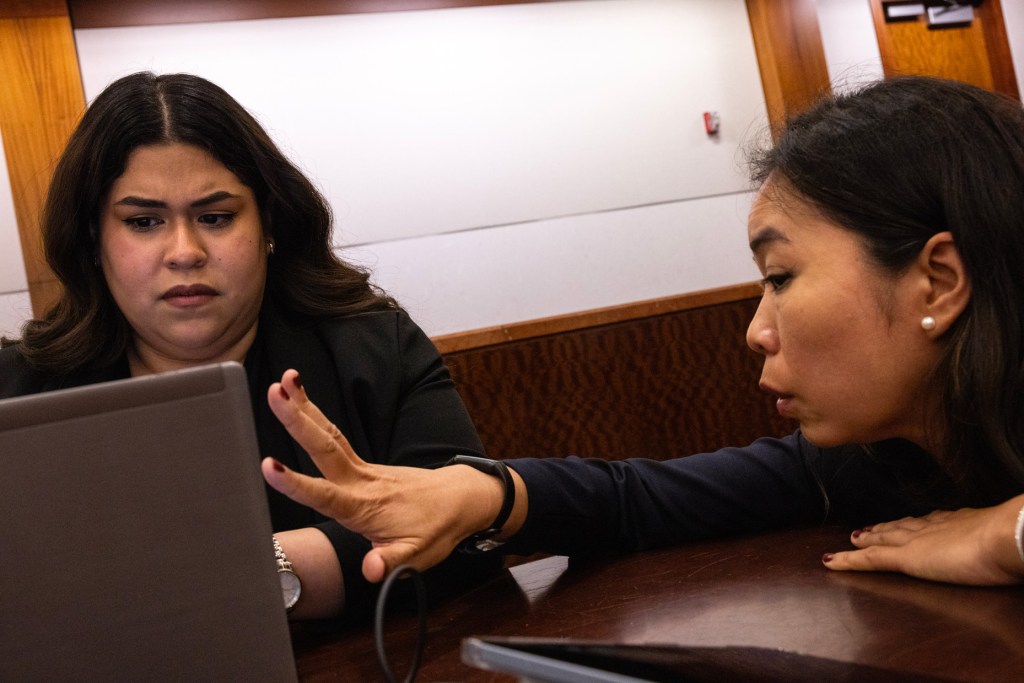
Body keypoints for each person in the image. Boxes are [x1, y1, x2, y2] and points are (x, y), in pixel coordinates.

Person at [260, 75, 1024, 588]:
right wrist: (483, 493)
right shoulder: (870, 460)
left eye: (782, 277)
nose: (758, 330)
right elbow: (639, 498)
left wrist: (1003, 538)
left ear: (939, 282)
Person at [0, 71, 498, 621]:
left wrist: (233, 579)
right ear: (93, 239)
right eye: (143, 222)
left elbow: (468, 538)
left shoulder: (375, 348)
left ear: (268, 223)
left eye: (215, 217)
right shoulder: (17, 391)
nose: (184, 252)